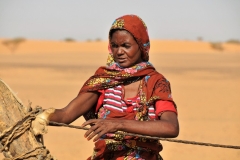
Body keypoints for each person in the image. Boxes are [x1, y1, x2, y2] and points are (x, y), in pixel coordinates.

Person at [31, 14, 179, 160]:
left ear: (141, 46)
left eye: (126, 46)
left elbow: (171, 127)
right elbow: (66, 115)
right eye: (114, 46)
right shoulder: (104, 80)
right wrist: (42, 116)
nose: (119, 52)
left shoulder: (156, 82)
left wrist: (118, 124)